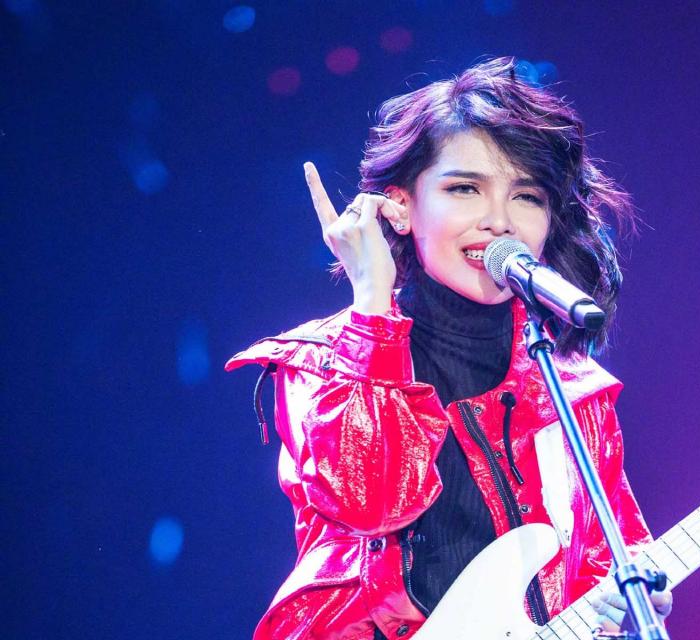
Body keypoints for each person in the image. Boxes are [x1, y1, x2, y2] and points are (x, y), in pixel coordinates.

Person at [226, 57, 671, 640]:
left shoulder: (571, 384)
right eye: (465, 189)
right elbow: (370, 502)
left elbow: (607, 554)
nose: (499, 221)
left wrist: (625, 603)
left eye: (527, 196)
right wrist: (371, 306)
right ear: (400, 206)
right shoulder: (323, 361)